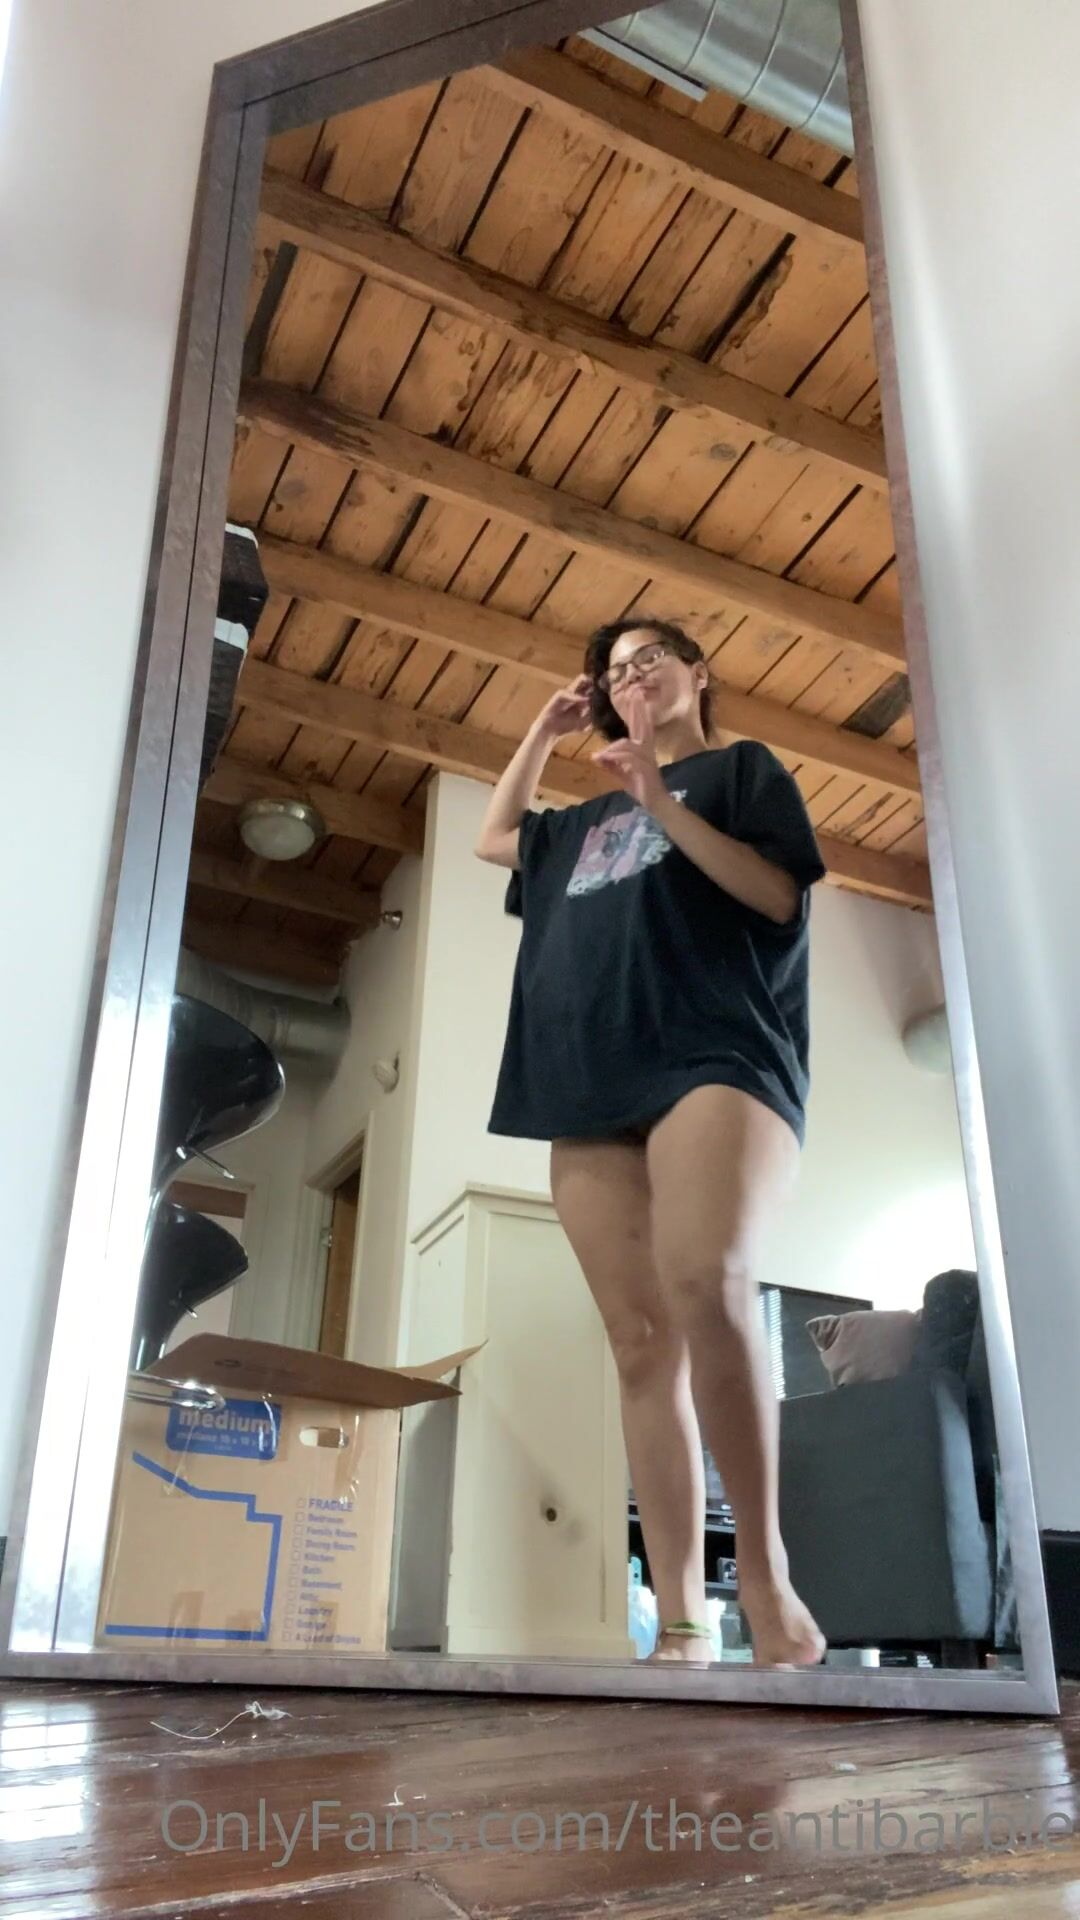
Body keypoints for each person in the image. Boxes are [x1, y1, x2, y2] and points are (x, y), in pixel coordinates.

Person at [475, 617, 827, 1669]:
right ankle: (681, 1617)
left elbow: (776, 894)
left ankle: (764, 1576)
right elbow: (497, 838)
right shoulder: (579, 820)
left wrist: (661, 801)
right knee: (638, 1344)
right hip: (587, 1072)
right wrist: (543, 734)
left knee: (707, 1281)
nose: (631, 676)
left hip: (715, 1052)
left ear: (695, 674)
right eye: (615, 670)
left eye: (649, 660)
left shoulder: (741, 773)